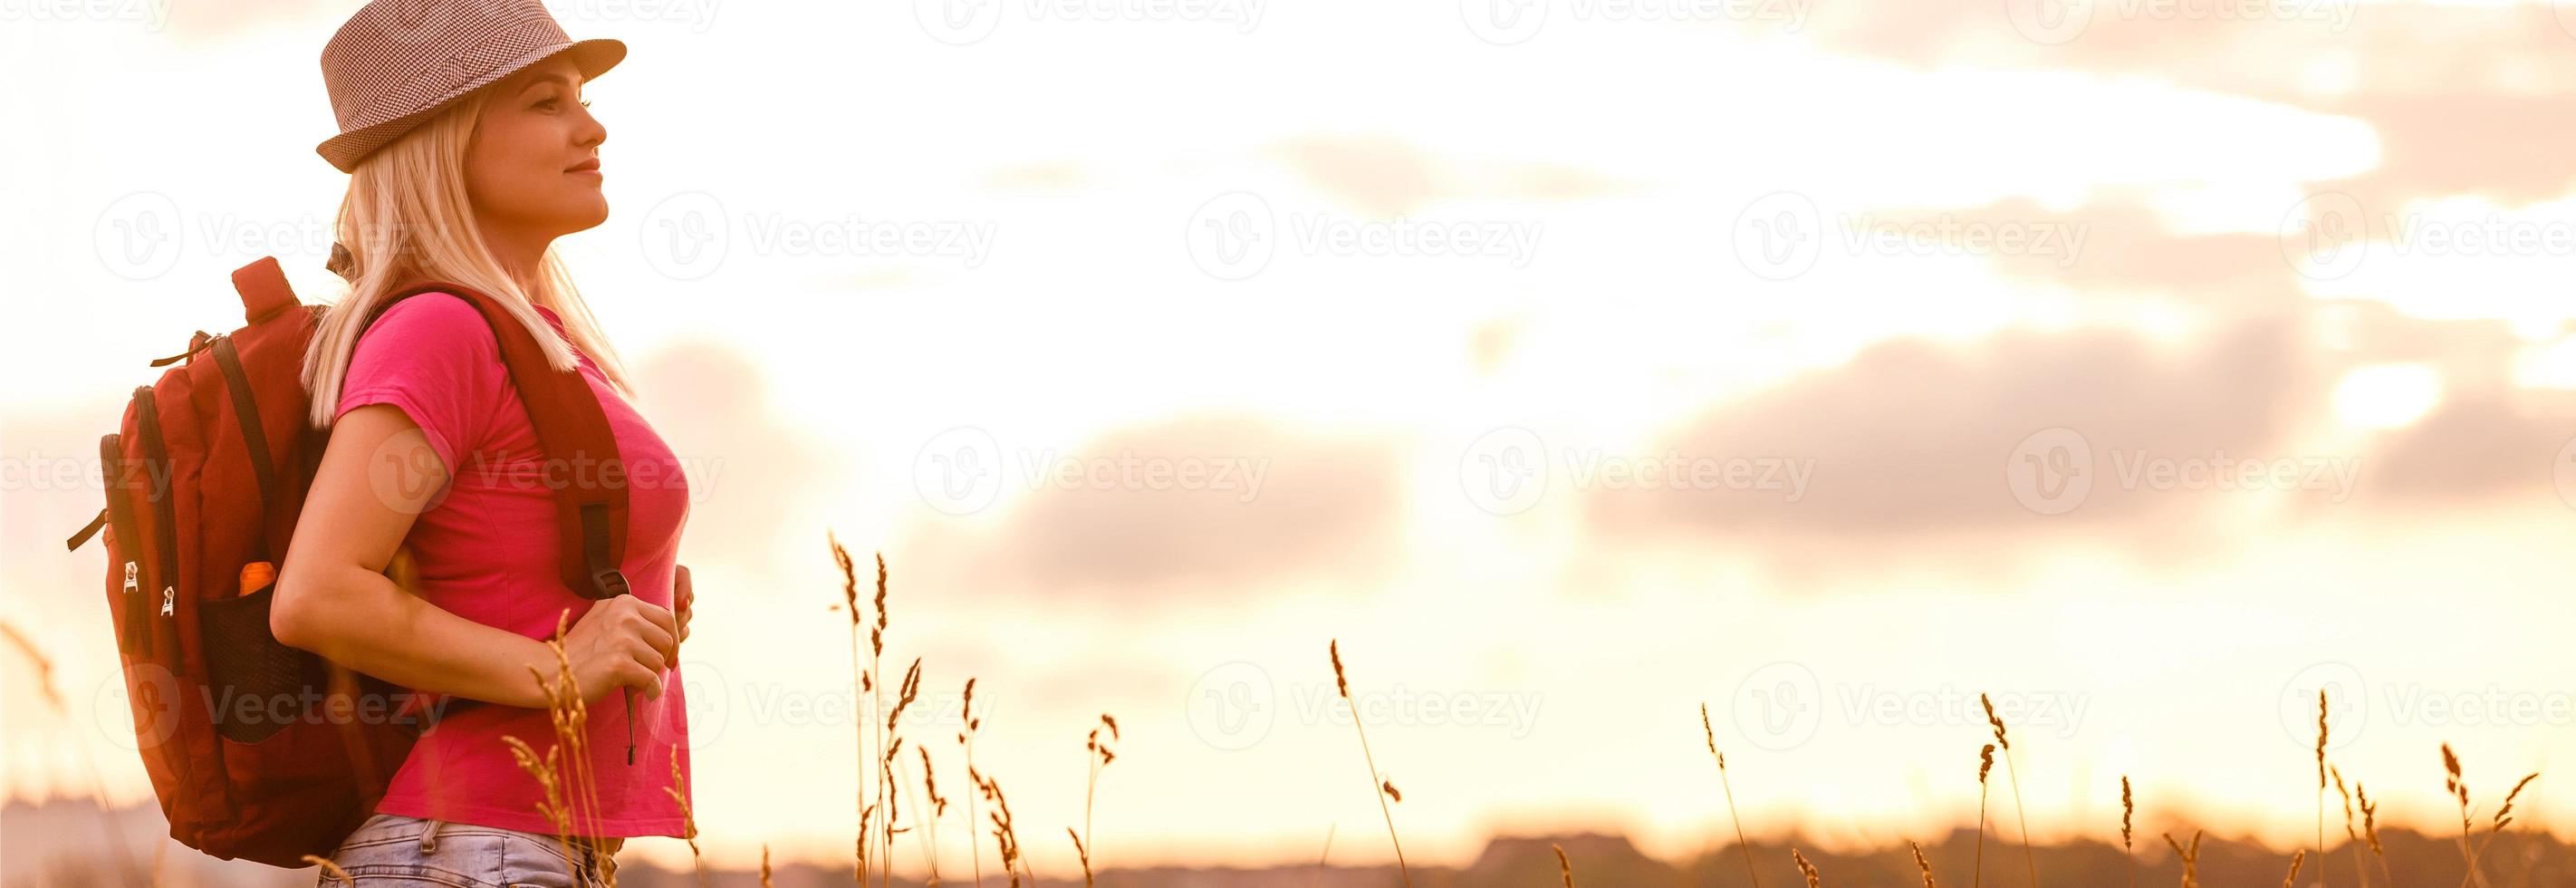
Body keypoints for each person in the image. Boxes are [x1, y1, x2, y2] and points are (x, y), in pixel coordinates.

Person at [270, 1, 695, 883]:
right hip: (473, 847)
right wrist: (557, 667)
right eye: (547, 102)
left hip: (512, 845)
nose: (593, 124)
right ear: (444, 139)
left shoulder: (535, 337)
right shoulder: (439, 329)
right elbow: (316, 592)